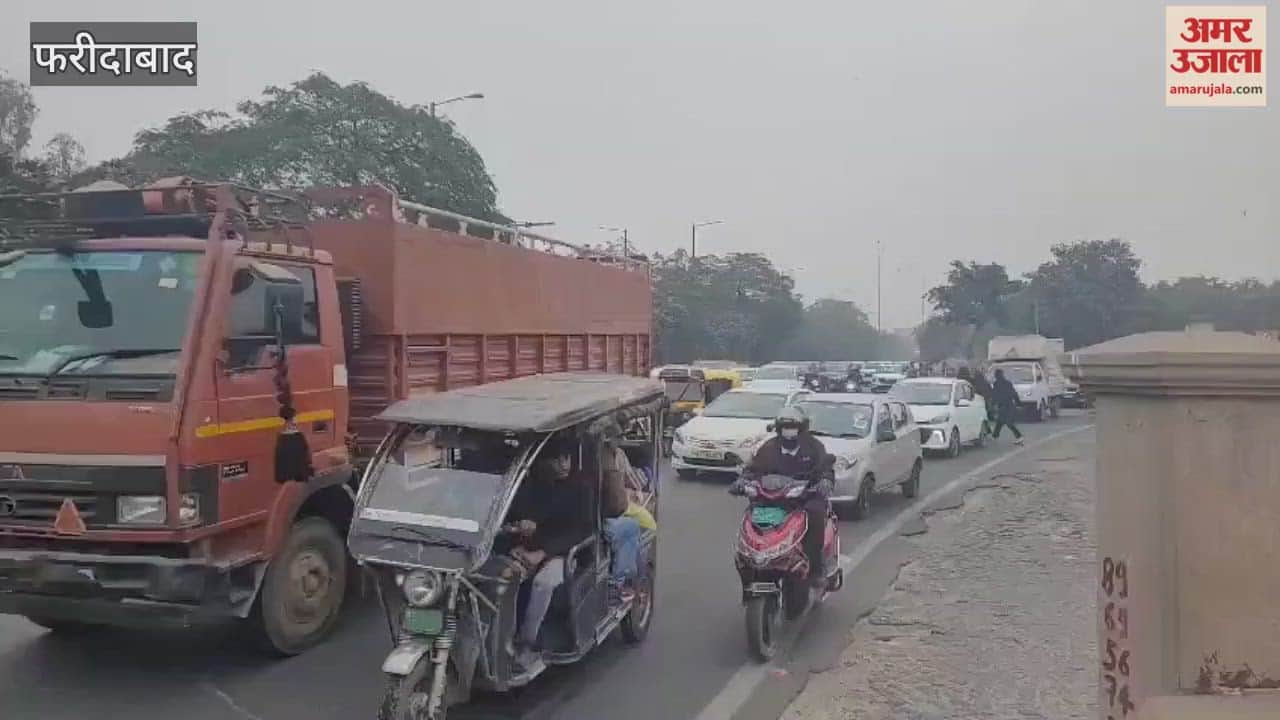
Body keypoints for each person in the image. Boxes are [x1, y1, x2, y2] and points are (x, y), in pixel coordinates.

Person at [505, 438, 592, 665]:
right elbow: (517, 518)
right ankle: (503, 640)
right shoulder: (531, 486)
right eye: (557, 459)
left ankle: (528, 642)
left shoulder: (581, 488)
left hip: (567, 554)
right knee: (503, 578)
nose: (563, 465)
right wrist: (520, 535)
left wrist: (543, 552)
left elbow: (579, 532)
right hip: (530, 550)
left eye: (566, 459)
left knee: (543, 583)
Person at [733, 406, 835, 587]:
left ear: (802, 429)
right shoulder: (768, 447)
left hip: (804, 498)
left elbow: (825, 469)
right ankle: (751, 562)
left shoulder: (814, 447)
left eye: (793, 428)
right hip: (771, 498)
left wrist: (825, 481)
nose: (789, 433)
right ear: (778, 429)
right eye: (785, 428)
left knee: (815, 514)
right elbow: (752, 469)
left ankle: (815, 570)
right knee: (751, 516)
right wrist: (742, 481)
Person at [600, 441, 644, 603]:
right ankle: (617, 584)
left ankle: (629, 579)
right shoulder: (611, 457)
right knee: (632, 527)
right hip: (597, 522)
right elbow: (616, 505)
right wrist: (637, 490)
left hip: (594, 517)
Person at [990, 368, 1024, 444]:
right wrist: (1019, 404)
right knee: (1001, 421)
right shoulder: (1008, 383)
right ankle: (995, 436)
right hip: (1009, 405)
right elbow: (1014, 394)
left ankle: (1019, 436)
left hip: (1003, 405)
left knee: (1006, 422)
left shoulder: (996, 384)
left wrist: (993, 405)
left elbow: (994, 396)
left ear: (996, 376)